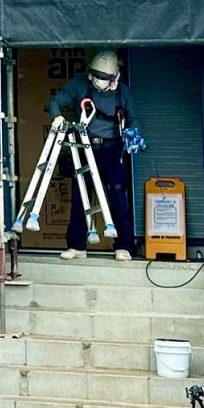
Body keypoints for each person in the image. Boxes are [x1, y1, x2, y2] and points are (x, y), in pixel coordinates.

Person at [46, 49, 137, 260]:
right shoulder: (79, 84)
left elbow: (133, 117)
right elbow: (55, 102)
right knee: (80, 196)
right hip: (85, 148)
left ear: (114, 77)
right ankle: (77, 246)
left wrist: (134, 133)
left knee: (118, 197)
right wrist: (57, 117)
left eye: (104, 77)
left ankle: (124, 246)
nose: (100, 80)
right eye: (97, 75)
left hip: (112, 149)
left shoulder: (122, 92)